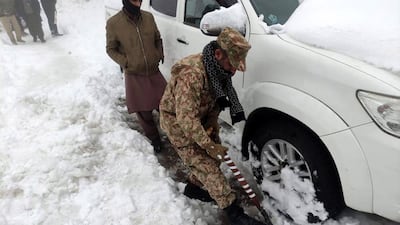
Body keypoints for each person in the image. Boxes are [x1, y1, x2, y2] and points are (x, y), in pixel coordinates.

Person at [159, 27, 268, 225]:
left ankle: (194, 188)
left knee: (213, 159)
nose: (234, 70)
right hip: (177, 123)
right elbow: (185, 118)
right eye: (232, 64)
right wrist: (207, 145)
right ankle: (234, 212)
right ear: (218, 54)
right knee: (208, 167)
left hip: (199, 120)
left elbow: (212, 103)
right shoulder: (192, 75)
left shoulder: (218, 72)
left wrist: (212, 126)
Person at [106, 0, 166, 153]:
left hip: (153, 71)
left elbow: (157, 38)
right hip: (134, 73)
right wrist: (126, 62)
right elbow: (111, 49)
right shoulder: (114, 23)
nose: (138, 4)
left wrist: (159, 54)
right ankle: (154, 139)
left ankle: (176, 135)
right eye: (134, 0)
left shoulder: (148, 17)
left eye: (140, 0)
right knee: (144, 111)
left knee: (166, 104)